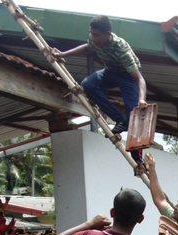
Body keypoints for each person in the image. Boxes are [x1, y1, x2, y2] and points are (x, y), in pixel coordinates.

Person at [52, 15, 147, 163]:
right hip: (110, 72)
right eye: (91, 33)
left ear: (107, 34)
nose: (92, 37)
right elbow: (86, 48)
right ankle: (119, 119)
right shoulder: (94, 39)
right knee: (88, 85)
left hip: (128, 76)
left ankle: (137, 157)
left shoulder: (122, 50)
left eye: (96, 35)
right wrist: (63, 54)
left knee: (134, 116)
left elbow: (139, 79)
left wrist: (141, 99)